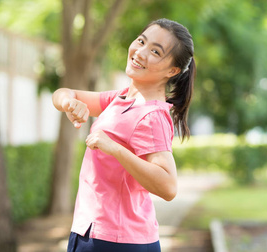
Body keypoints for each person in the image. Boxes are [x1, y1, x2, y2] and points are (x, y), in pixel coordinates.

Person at [52, 18, 196, 252]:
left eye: (155, 51)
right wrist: (70, 103)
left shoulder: (152, 116)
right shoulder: (121, 98)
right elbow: (63, 93)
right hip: (94, 231)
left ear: (172, 70)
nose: (140, 52)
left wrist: (116, 149)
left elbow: (168, 186)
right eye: (141, 41)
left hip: (115, 241)